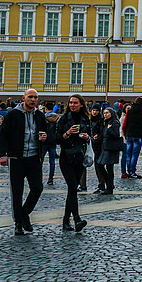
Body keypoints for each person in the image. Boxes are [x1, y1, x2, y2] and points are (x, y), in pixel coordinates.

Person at [0, 88, 49, 235]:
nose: (33, 100)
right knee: (17, 191)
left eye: (35, 97)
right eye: (30, 97)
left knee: (37, 188)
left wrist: (45, 137)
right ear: (23, 98)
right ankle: (18, 223)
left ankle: (24, 213)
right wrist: (2, 154)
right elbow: (3, 135)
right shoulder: (13, 115)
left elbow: (46, 133)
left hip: (34, 157)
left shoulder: (39, 115)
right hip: (16, 158)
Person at [55, 94, 90, 231]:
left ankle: (65, 221)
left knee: (72, 189)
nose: (72, 105)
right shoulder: (63, 118)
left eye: (75, 103)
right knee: (72, 185)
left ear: (81, 104)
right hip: (66, 157)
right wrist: (67, 133)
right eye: (70, 103)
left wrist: (87, 137)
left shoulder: (85, 118)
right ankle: (76, 219)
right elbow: (57, 139)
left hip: (79, 157)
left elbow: (89, 134)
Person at [96, 107, 121, 195]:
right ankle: (109, 184)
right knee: (100, 165)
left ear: (111, 113)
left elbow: (116, 135)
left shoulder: (114, 122)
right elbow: (103, 134)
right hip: (105, 147)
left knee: (108, 168)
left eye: (107, 113)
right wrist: (98, 137)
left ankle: (109, 187)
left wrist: (110, 129)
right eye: (104, 113)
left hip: (111, 148)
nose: (105, 115)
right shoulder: (106, 122)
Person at [122, 97, 142, 178]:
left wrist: (125, 133)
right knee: (134, 155)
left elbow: (124, 124)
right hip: (138, 135)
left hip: (129, 134)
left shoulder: (129, 112)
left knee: (128, 154)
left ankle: (128, 171)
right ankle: (132, 171)